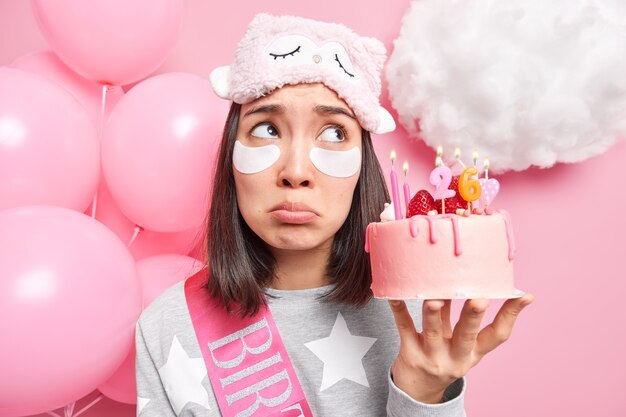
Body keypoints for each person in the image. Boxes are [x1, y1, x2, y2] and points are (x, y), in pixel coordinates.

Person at [135, 13, 533, 417]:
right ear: (229, 158)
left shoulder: (417, 315)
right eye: (267, 129)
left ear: (364, 163)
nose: (296, 172)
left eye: (334, 133)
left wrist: (425, 396)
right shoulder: (168, 328)